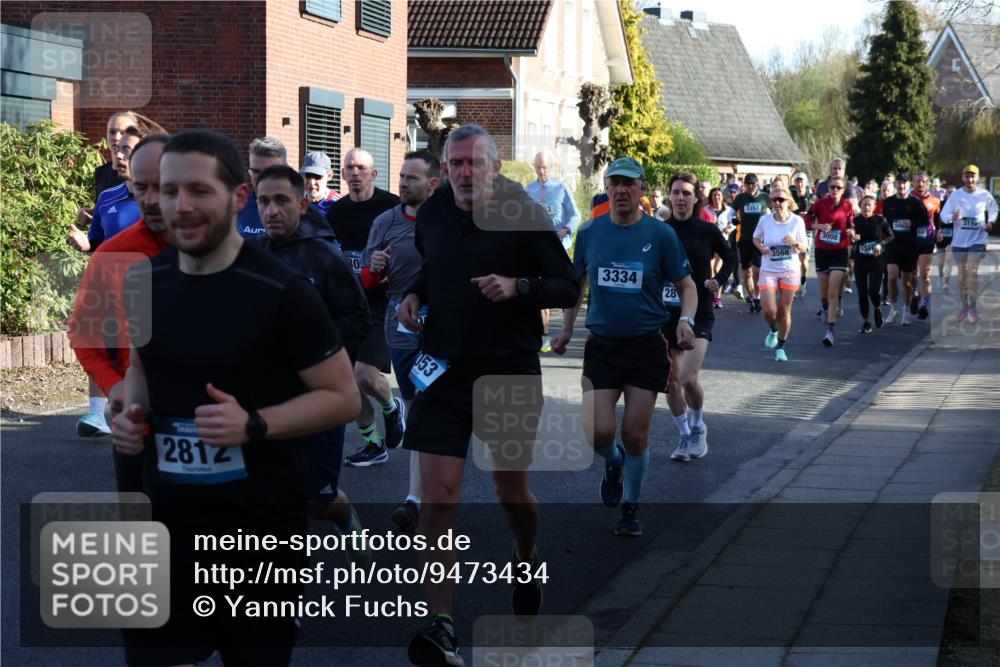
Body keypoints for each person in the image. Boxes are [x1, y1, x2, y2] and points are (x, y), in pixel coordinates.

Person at [112, 129, 361, 666]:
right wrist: (129, 409)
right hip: (163, 525)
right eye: (168, 191)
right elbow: (140, 368)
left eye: (199, 190)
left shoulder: (283, 291)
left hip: (257, 531)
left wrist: (254, 424)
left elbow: (342, 397)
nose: (179, 205)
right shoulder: (144, 281)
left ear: (237, 196)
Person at [397, 125, 579, 666]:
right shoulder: (433, 213)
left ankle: (526, 554)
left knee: (510, 492)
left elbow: (567, 284)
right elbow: (434, 267)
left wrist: (518, 286)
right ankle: (443, 626)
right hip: (444, 370)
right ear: (445, 169)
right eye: (455, 163)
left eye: (474, 163)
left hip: (507, 371)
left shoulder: (525, 213)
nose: (464, 172)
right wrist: (414, 293)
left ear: (495, 169)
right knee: (438, 497)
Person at [552, 157, 696, 531]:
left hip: (646, 347)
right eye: (614, 183)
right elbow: (576, 285)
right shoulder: (590, 232)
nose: (620, 190)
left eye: (628, 183)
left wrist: (686, 320)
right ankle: (613, 461)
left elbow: (687, 286)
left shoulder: (661, 235)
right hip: (602, 347)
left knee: (634, 433)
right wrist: (566, 330)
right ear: (606, 188)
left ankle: (631, 506)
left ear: (642, 189)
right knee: (597, 432)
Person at [254, 164, 372, 562]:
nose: (272, 210)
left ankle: (343, 515)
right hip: (268, 396)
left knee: (317, 501)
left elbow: (357, 316)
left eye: (281, 201)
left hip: (319, 396)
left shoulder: (323, 255)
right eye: (264, 201)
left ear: (302, 205)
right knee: (272, 496)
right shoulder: (251, 255)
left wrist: (312, 354)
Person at [67, 132, 173, 490]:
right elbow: (83, 331)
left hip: (215, 427)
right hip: (137, 428)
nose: (151, 199)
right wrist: (113, 385)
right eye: (141, 187)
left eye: (162, 185)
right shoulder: (112, 254)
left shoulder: (225, 252)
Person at [360, 151, 441, 534]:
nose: (403, 182)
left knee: (427, 407)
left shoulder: (447, 220)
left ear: (432, 184)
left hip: (441, 325)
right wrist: (374, 269)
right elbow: (367, 280)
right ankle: (423, 493)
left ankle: (415, 499)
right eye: (402, 176)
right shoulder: (385, 222)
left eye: (412, 177)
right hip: (399, 325)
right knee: (414, 404)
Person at [327, 148, 406, 466]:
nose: (355, 172)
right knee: (345, 380)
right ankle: (373, 443)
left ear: (374, 173)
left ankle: (392, 407)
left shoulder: (391, 207)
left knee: (364, 374)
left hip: (381, 305)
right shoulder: (336, 212)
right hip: (347, 305)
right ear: (343, 174)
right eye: (349, 167)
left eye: (361, 167)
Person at [662, 175, 735, 461]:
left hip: (700, 312)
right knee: (671, 381)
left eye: (686, 193)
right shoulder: (661, 230)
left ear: (695, 198)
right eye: (676, 192)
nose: (681, 198)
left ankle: (698, 425)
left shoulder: (707, 230)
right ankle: (683, 435)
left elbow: (731, 257)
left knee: (688, 377)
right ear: (669, 196)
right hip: (667, 312)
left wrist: (720, 279)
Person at [525, 150, 581, 352]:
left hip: (559, 246)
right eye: (538, 167)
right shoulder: (528, 190)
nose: (541, 171)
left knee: (564, 288)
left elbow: (576, 215)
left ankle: (566, 329)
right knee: (540, 288)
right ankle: (545, 335)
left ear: (551, 167)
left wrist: (565, 230)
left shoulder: (560, 187)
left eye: (545, 167)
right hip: (538, 247)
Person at [753, 184, 809, 362]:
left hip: (789, 270)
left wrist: (795, 242)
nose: (777, 203)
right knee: (769, 310)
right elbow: (756, 237)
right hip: (769, 269)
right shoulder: (765, 220)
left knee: (784, 311)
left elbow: (804, 247)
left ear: (788, 202)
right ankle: (773, 330)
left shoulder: (797, 221)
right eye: (774, 200)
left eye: (781, 200)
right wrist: (760, 247)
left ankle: (781, 347)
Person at [939, 164, 998, 322]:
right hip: (959, 241)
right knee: (962, 275)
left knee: (971, 270)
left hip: (978, 239)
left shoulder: (984, 195)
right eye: (967, 176)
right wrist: (952, 217)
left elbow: (994, 209)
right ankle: (965, 305)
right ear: (963, 178)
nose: (970, 179)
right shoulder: (956, 196)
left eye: (973, 176)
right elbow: (944, 215)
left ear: (977, 178)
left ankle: (973, 306)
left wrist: (990, 222)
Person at [805, 175, 855, 345]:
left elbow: (851, 224)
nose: (834, 190)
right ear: (828, 188)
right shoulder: (820, 204)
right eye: (832, 187)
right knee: (824, 295)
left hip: (840, 250)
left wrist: (851, 232)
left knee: (833, 292)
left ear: (843, 190)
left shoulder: (847, 206)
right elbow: (807, 221)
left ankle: (830, 332)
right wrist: (818, 226)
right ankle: (825, 307)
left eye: (838, 188)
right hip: (822, 251)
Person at [881, 173, 930, 326]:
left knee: (906, 282)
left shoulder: (915, 202)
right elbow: (884, 222)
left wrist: (911, 224)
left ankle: (906, 310)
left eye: (904, 183)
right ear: (895, 184)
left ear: (909, 185)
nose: (901, 186)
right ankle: (893, 309)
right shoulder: (888, 202)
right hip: (892, 244)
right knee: (891, 277)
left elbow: (925, 220)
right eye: (899, 183)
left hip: (909, 245)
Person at [851, 194, 894, 332]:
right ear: (860, 206)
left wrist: (880, 244)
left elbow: (891, 236)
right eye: (864, 205)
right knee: (862, 292)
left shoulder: (880, 220)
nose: (867, 207)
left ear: (874, 207)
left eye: (869, 205)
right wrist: (853, 238)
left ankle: (877, 308)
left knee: (873, 291)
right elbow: (849, 236)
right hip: (860, 260)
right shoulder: (855, 221)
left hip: (876, 259)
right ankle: (866, 322)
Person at [732, 173, 771, 312]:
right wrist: (733, 219)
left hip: (760, 239)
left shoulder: (765, 197)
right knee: (746, 271)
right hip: (744, 239)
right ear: (744, 185)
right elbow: (730, 213)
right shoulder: (740, 198)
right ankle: (752, 298)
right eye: (747, 184)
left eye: (753, 184)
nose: (750, 187)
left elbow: (775, 213)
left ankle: (758, 296)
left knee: (757, 270)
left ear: (757, 183)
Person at [237, 136, 286, 238]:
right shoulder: (238, 208)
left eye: (268, 172)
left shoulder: (303, 213)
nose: (260, 179)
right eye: (255, 172)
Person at [912, 172, 941, 320]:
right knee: (911, 275)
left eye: (923, 181)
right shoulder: (908, 199)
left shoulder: (935, 201)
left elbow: (937, 220)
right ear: (913, 183)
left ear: (928, 184)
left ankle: (923, 305)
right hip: (909, 241)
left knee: (925, 274)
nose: (920, 184)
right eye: (918, 181)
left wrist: (939, 231)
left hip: (927, 240)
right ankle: (914, 294)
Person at [706, 187, 735, 307]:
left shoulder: (729, 210)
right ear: (711, 197)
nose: (716, 197)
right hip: (709, 243)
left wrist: (730, 228)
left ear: (722, 197)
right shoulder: (705, 210)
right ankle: (712, 296)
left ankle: (718, 298)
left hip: (723, 243)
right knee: (710, 270)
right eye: (714, 195)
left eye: (718, 195)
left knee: (718, 269)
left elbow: (735, 222)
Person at [790, 172, 815, 299]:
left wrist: (809, 216)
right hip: (793, 231)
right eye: (797, 182)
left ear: (805, 183)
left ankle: (802, 283)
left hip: (806, 231)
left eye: (801, 182)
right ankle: (793, 287)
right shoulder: (791, 196)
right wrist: (796, 215)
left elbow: (817, 214)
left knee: (804, 261)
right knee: (794, 260)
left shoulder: (811, 197)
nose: (799, 184)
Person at [300, 150, 341, 215]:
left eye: (317, 176)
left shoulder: (339, 204)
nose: (311, 182)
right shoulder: (295, 202)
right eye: (307, 175)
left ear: (329, 175)